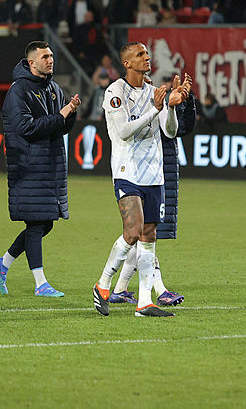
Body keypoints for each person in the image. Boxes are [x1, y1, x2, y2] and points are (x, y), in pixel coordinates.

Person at [92, 42, 187, 318]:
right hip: (127, 172)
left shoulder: (154, 91)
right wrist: (156, 110)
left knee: (148, 236)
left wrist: (170, 107)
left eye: (147, 54)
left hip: (154, 174)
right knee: (132, 232)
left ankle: (144, 302)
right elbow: (122, 131)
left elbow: (169, 132)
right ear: (128, 63)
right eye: (140, 55)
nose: (147, 58)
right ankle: (103, 283)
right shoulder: (115, 92)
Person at [0, 41, 80, 297]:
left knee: (44, 224)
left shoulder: (52, 88)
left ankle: (3, 263)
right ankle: (40, 283)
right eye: (44, 57)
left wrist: (69, 114)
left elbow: (59, 127)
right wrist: (61, 115)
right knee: (37, 225)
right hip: (28, 166)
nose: (50, 60)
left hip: (49, 166)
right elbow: (26, 128)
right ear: (31, 63)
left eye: (51, 56)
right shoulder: (19, 91)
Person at [108, 73, 195, 308]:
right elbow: (126, 131)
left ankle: (119, 288)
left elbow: (178, 129)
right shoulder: (130, 100)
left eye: (148, 77)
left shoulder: (159, 100)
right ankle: (158, 289)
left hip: (161, 171)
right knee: (142, 234)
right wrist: (162, 106)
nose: (146, 81)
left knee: (146, 234)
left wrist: (183, 101)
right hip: (139, 174)